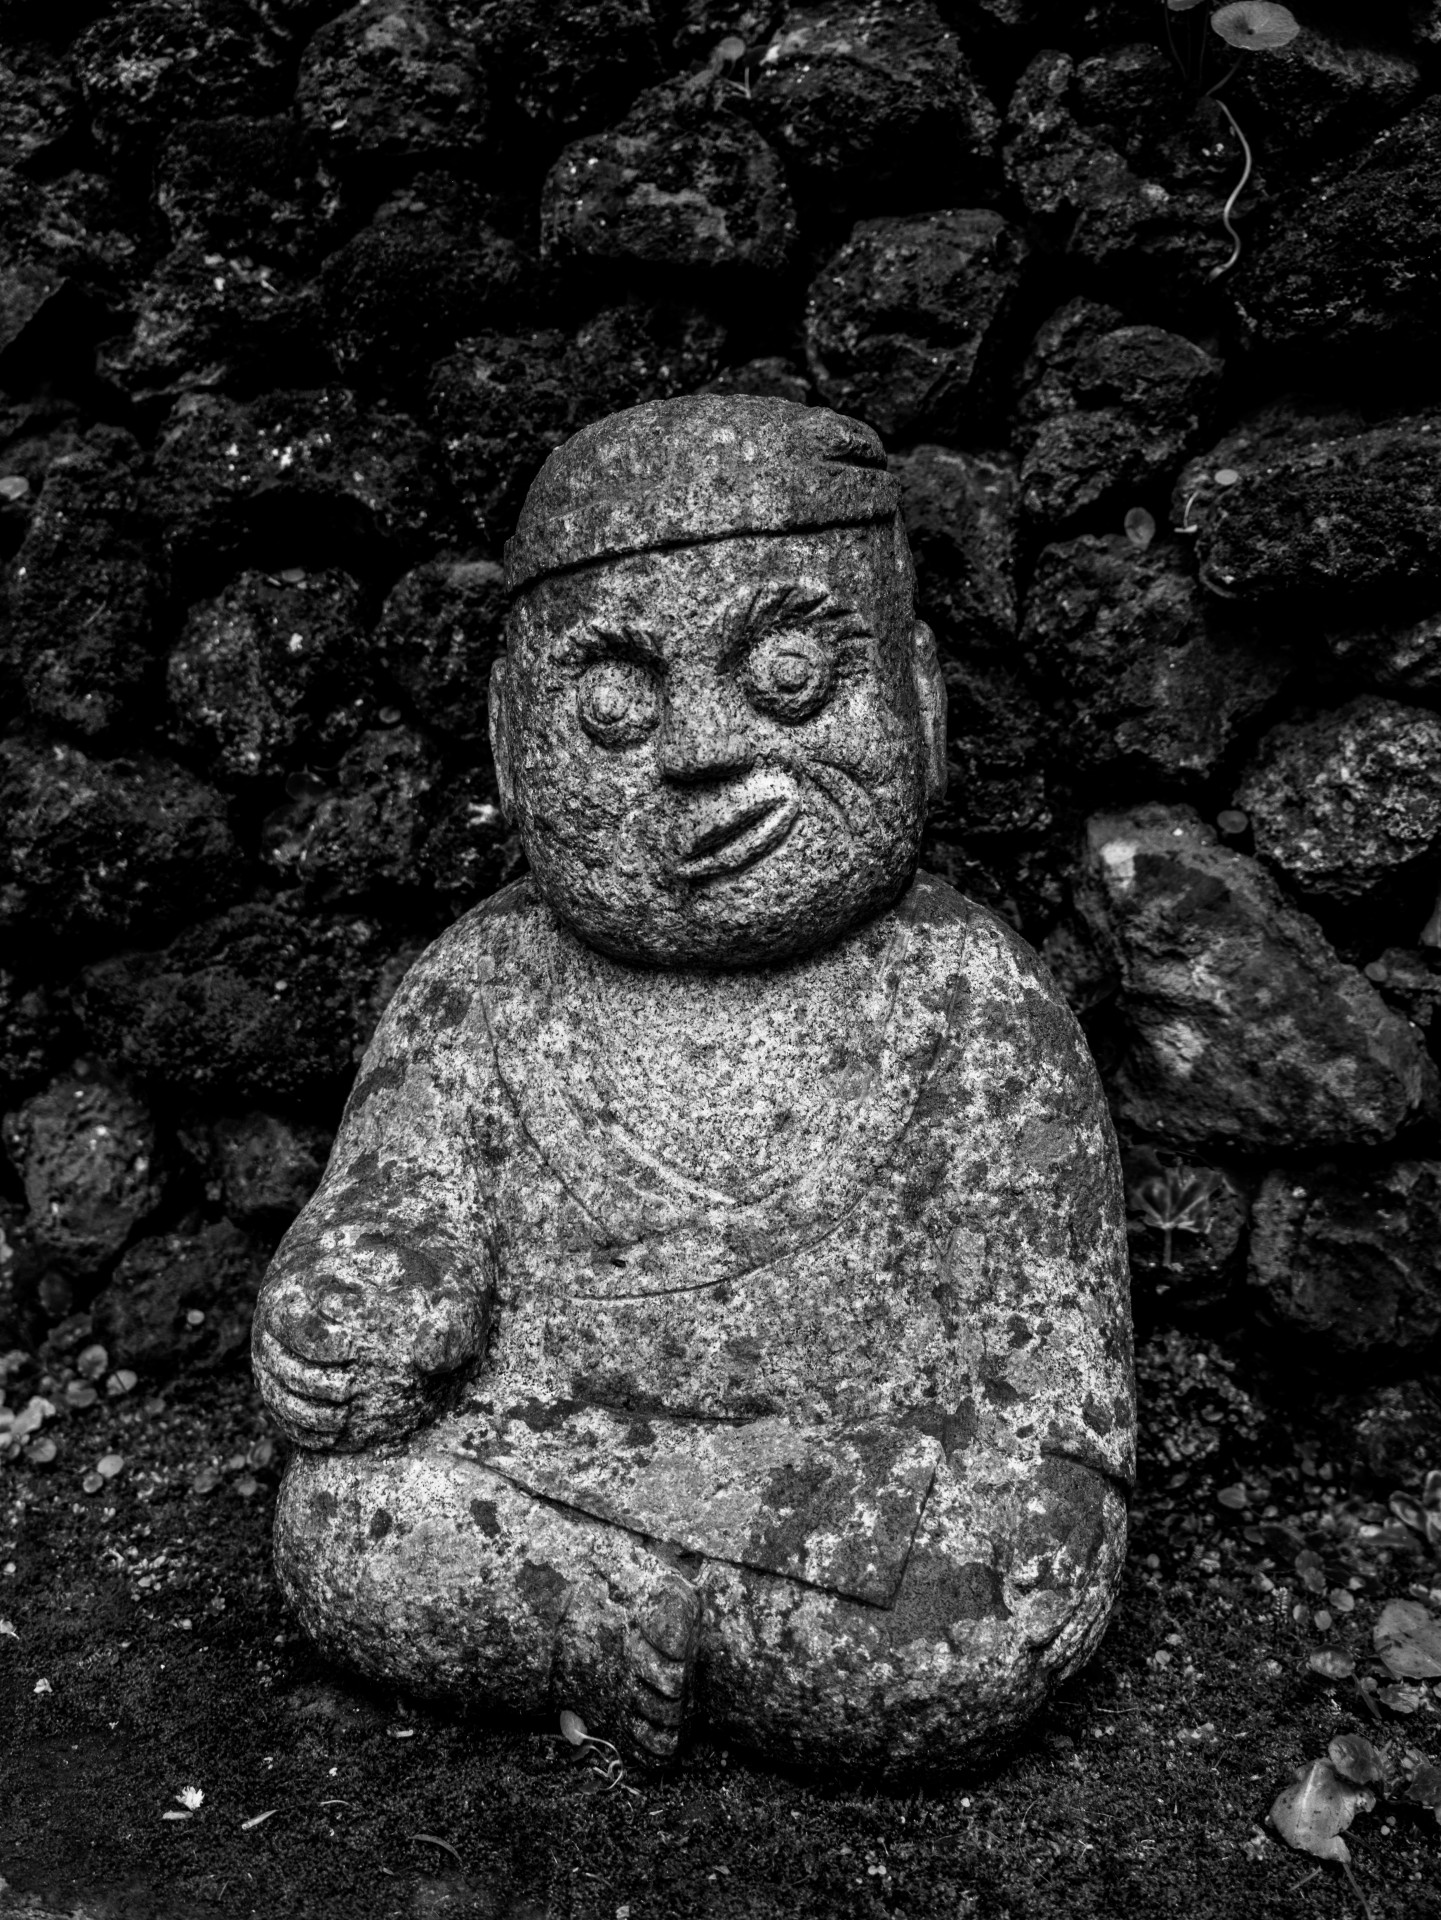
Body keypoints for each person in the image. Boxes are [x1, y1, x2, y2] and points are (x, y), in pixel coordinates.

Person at [252, 393, 1133, 1778]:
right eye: (613, 705)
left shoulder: (971, 995)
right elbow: (389, 1211)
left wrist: (1032, 1497)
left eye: (789, 674)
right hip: (546, 1454)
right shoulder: (482, 982)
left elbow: (1051, 1402)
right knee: (347, 1521)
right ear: (511, 739)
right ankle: (598, 1618)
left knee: (973, 1613)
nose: (702, 750)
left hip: (846, 1489)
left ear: (919, 699)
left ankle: (631, 1626)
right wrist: (353, 1305)